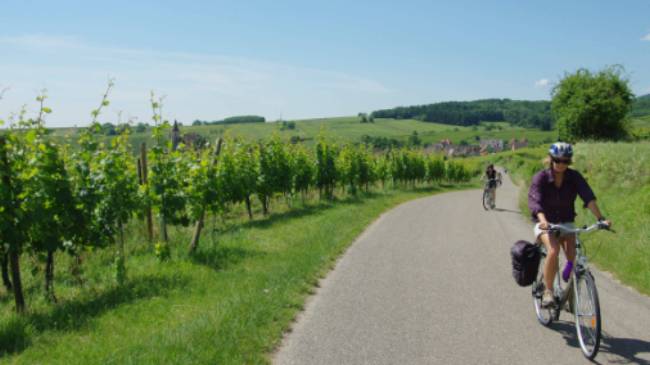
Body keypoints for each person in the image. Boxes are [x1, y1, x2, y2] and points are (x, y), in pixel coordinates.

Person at [528, 142, 611, 307]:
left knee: (573, 257)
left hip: (566, 222)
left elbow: (588, 198)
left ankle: (570, 294)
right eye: (557, 160)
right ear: (551, 159)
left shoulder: (574, 177)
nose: (561, 164)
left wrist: (601, 219)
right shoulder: (541, 178)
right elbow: (535, 202)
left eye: (565, 161)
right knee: (553, 250)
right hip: (546, 222)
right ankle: (548, 292)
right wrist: (543, 221)